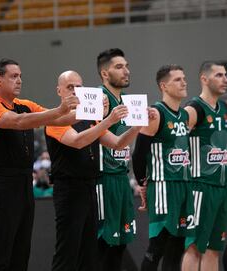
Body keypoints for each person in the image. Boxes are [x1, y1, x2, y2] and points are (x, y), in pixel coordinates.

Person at [0, 58, 79, 271]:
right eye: (14, 76)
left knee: (21, 252)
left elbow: (59, 120)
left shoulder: (25, 104)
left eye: (20, 76)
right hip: (0, 184)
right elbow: (19, 122)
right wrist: (60, 110)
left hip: (24, 182)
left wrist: (97, 111)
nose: (20, 80)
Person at [45, 70, 147, 271]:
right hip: (68, 189)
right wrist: (108, 120)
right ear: (59, 91)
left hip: (90, 187)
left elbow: (117, 143)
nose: (75, 91)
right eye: (70, 87)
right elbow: (77, 141)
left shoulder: (90, 118)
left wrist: (137, 126)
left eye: (79, 87)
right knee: (68, 251)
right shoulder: (55, 118)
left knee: (89, 252)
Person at [132, 65, 195, 271]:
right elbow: (139, 153)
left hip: (183, 186)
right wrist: (143, 184)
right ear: (164, 86)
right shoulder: (156, 113)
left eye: (184, 78)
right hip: (163, 186)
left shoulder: (185, 116)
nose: (184, 82)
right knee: (156, 247)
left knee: (176, 249)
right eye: (178, 79)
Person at [95, 48, 139, 271]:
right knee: (104, 245)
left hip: (122, 178)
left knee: (121, 244)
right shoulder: (97, 100)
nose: (126, 71)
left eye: (127, 66)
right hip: (103, 179)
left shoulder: (129, 102)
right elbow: (107, 140)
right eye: (119, 67)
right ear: (104, 73)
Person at [182, 61, 227, 271]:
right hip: (200, 186)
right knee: (194, 247)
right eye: (218, 75)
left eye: (225, 75)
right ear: (204, 79)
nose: (224, 79)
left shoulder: (224, 109)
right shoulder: (194, 109)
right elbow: (176, 144)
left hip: (221, 187)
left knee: (214, 248)